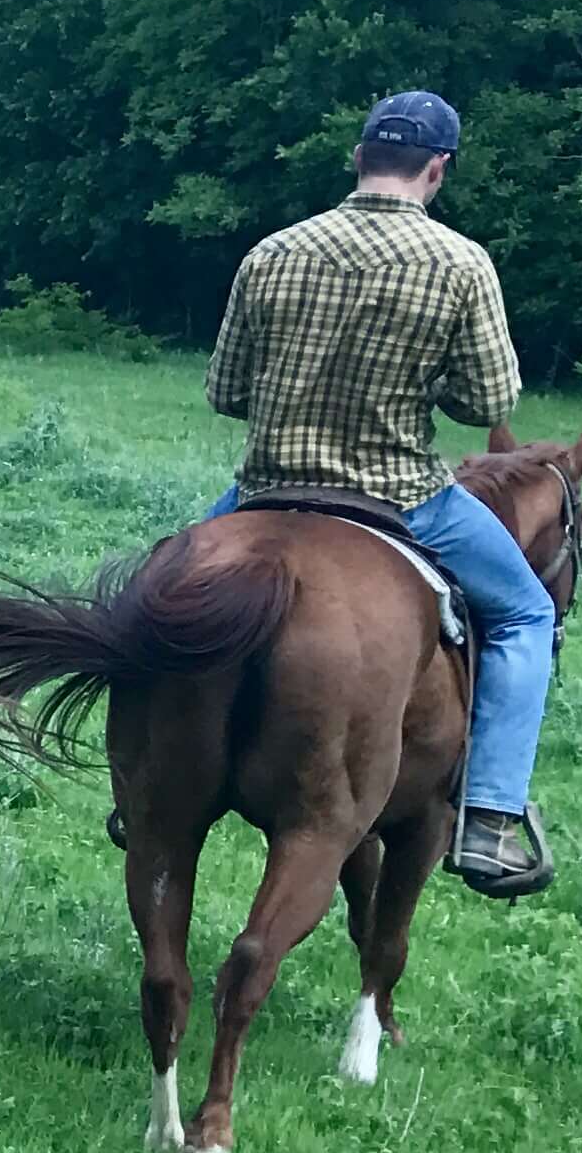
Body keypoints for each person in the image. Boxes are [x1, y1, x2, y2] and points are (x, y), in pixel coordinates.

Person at [198, 89, 560, 898]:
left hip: (266, 489)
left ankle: (150, 773)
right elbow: (484, 404)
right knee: (526, 613)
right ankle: (492, 817)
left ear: (359, 159)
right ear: (438, 170)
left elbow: (224, 391)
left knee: (163, 597)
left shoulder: (273, 250)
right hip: (402, 496)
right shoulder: (461, 263)